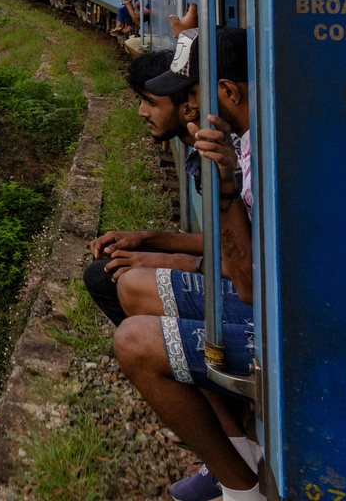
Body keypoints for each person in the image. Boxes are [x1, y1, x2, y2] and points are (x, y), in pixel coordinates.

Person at [105, 27, 260, 500]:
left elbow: (250, 284)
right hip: (263, 297)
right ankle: (241, 448)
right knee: (129, 287)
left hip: (280, 323)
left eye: (193, 95)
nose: (190, 109)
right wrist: (187, 33)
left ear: (227, 91)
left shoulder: (251, 158)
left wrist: (226, 187)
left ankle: (243, 492)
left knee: (133, 340)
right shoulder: (249, 140)